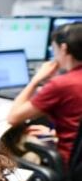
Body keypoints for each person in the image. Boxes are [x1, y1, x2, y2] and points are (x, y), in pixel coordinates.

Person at [6, 22, 82, 167]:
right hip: (78, 162)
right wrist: (53, 133)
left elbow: (13, 117)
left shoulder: (62, 84)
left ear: (64, 48)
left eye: (54, 49)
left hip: (68, 165)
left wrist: (35, 80)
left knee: (12, 140)